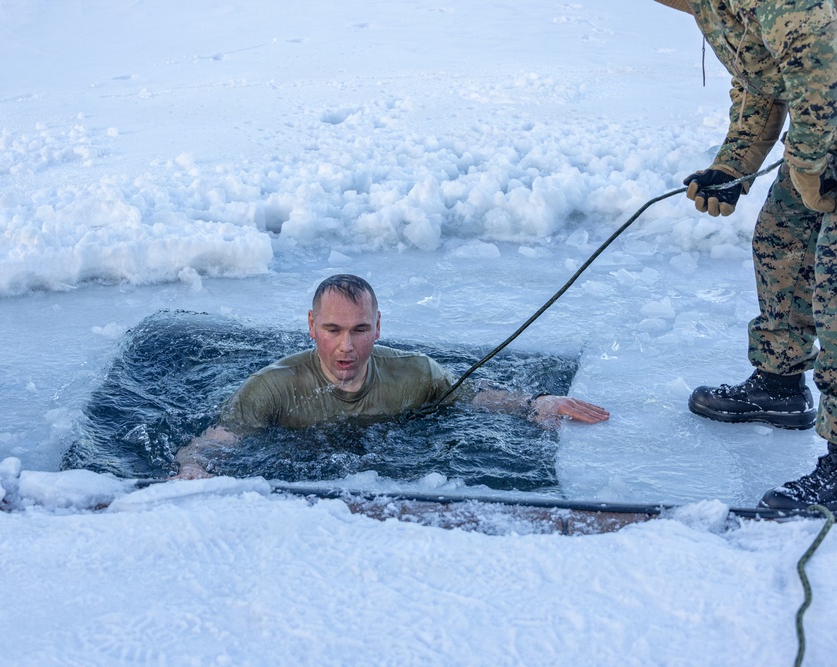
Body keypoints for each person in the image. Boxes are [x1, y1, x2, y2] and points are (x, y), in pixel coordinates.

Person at [654, 0, 837, 508]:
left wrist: (807, 166)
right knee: (783, 239)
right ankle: (779, 384)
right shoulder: (711, 5)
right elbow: (764, 79)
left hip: (827, 119)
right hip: (828, 129)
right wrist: (733, 166)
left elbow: (819, 58)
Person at [172, 274, 609, 479]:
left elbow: (472, 398)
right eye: (333, 330)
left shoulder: (414, 373)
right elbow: (217, 440)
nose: (347, 346)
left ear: (378, 327)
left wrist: (535, 403)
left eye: (360, 330)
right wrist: (192, 468)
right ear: (311, 326)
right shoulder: (273, 387)